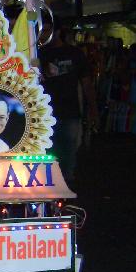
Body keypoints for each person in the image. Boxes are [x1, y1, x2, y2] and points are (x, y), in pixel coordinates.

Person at [37, 25, 98, 182]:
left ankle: (65, 192)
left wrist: (93, 108)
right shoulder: (39, 53)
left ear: (57, 31)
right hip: (44, 114)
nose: (44, 35)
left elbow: (86, 83)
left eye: (47, 30)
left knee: (68, 155)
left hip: (69, 113)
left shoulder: (75, 53)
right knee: (47, 156)